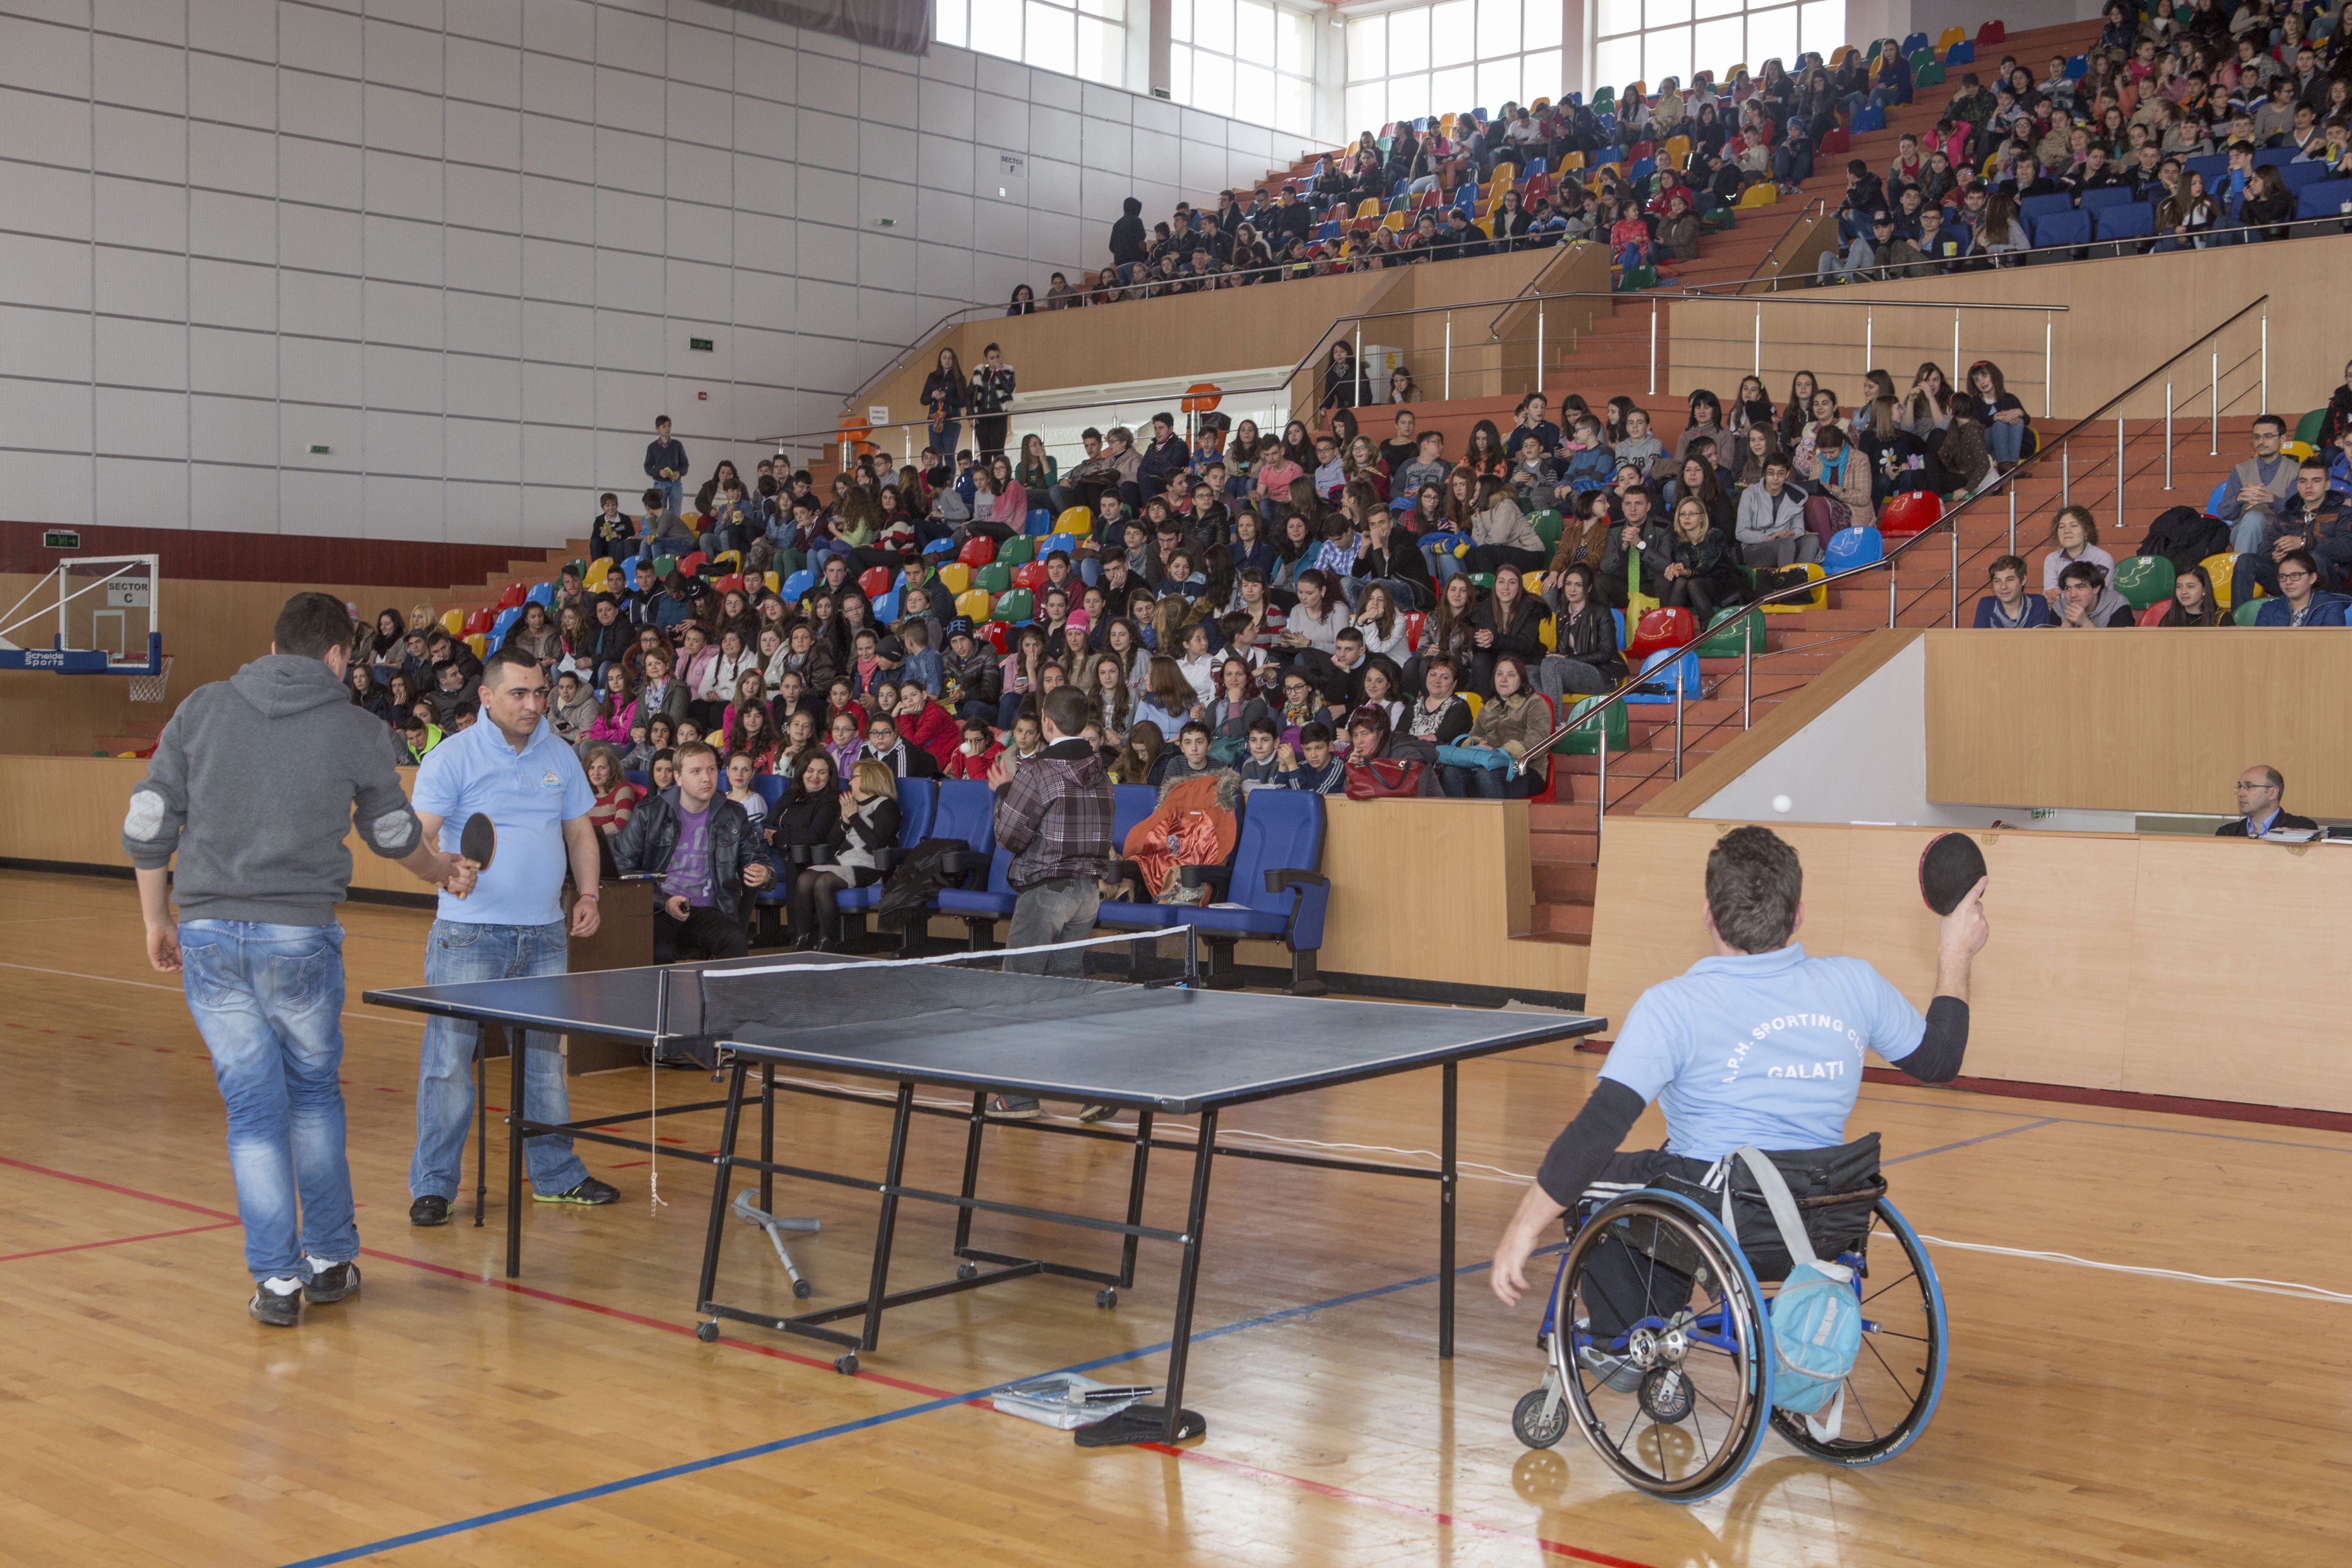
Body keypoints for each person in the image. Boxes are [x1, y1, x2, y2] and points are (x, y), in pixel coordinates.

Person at [1488, 827, 1991, 1382]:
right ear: (1798, 916)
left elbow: (1596, 1130)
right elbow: (1940, 1060)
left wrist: (1524, 1228)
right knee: (1663, 1167)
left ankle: (1626, 1340)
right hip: (1825, 1213)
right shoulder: (1856, 984)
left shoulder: (1672, 1007)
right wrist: (1955, 951)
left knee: (1591, 1179)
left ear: (1709, 915)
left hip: (1725, 1214)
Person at [124, 592, 470, 1325]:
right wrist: (441, 872)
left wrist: (158, 918)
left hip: (208, 931)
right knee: (312, 1096)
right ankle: (330, 1259)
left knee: (253, 1112)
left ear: (275, 644)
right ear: (339, 655)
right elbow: (392, 833)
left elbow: (150, 819)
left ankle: (277, 1282)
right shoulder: (359, 729)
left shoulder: (202, 707)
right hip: (299, 938)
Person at [404, 644, 616, 1227]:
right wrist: (442, 869)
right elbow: (417, 838)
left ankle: (556, 1176)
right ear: (486, 696)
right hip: (469, 937)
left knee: (544, 1064)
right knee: (449, 1064)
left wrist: (589, 895)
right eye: (519, 693)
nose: (533, 704)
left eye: (539, 692)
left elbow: (580, 834)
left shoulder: (560, 753)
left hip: (544, 935)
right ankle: (434, 1186)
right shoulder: (452, 758)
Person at [985, 686, 1116, 1119]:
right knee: (1067, 996)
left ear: (1046, 723)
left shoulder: (1038, 771)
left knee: (1019, 991)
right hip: (1087, 895)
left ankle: (1018, 1096)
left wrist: (1004, 794)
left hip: (1046, 894)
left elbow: (1009, 836)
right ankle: (1097, 1088)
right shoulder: (1101, 772)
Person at [612, 741, 775, 962]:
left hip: (709, 908)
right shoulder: (649, 813)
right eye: (696, 771)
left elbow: (756, 859)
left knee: (734, 940)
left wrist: (765, 873)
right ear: (679, 778)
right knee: (658, 950)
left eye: (711, 770)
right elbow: (622, 868)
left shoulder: (734, 814)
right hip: (658, 908)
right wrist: (663, 901)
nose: (707, 778)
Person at [2214, 413, 2297, 554]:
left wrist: (2272, 500)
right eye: (2257, 437)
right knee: (2254, 518)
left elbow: (2296, 513)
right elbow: (2224, 513)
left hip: (2281, 533)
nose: (2261, 442)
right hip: (2244, 531)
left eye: (2268, 436)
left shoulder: (2296, 471)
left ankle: (2242, 565)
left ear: (2282, 439)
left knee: (2257, 520)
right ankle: (2243, 566)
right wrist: (2239, 499)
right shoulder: (2240, 470)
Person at [2249, 548, 2350, 625]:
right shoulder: (2268, 609)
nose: (2288, 582)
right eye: (2283, 577)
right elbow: (2259, 645)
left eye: (2296, 576)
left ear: (2312, 578)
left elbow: (2332, 644)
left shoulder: (2331, 607)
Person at [2214, 764, 2318, 836]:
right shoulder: (2228, 833)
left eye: (2249, 786)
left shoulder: (2301, 829)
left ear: (2273, 793)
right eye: (2240, 787)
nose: (2241, 793)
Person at [1973, 554, 2052, 628]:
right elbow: (1978, 638)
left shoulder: (2037, 603)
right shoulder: (1986, 605)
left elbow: (2040, 638)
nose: (2003, 587)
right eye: (1998, 581)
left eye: (2010, 580)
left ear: (2023, 580)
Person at [644, 415, 688, 516]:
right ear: (657, 429)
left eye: (669, 426)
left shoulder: (677, 445)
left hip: (676, 484)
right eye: (664, 427)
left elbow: (685, 464)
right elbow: (648, 467)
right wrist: (659, 473)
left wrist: (679, 473)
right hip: (660, 484)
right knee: (659, 514)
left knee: (675, 514)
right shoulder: (652, 447)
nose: (667, 429)